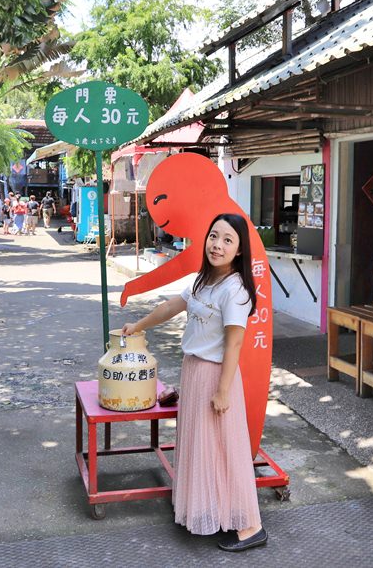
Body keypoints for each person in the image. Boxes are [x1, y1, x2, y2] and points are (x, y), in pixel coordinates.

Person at [122, 213, 266, 552]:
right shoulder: (205, 280)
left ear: (240, 250)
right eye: (213, 236)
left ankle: (251, 526)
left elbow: (234, 343)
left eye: (227, 240)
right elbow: (171, 305)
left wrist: (223, 391)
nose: (217, 244)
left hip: (217, 375)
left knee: (226, 449)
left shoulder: (236, 290)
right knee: (204, 446)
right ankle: (214, 511)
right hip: (195, 370)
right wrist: (139, 326)